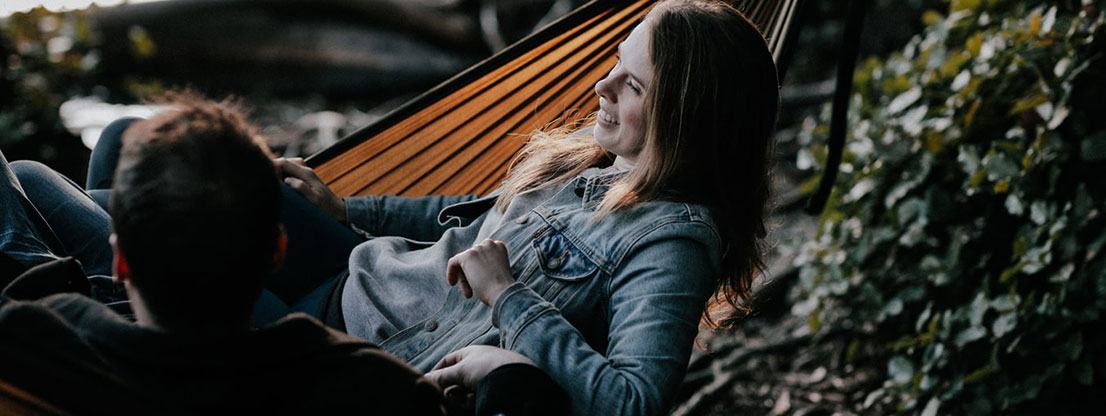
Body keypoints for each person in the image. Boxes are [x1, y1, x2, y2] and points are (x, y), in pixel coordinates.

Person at [272, 0, 781, 414]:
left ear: (685, 120)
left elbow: (633, 403)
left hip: (368, 359)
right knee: (247, 185)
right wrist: (350, 211)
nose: (602, 85)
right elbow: (470, 219)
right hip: (359, 275)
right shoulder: (599, 151)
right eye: (618, 62)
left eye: (633, 85)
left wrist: (508, 295)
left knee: (199, 307)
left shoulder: (672, 243)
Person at [0, 93, 568, 415]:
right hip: (257, 348)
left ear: (121, 262)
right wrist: (512, 376)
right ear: (276, 250)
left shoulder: (36, 338)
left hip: (118, 346)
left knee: (27, 174)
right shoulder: (373, 390)